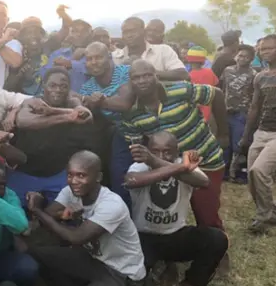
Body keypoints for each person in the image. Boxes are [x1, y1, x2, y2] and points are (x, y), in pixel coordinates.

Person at [89, 60, 229, 231]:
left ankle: (216, 243)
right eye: (136, 77)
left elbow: (216, 94)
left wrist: (223, 133)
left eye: (147, 75)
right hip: (169, 167)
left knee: (206, 214)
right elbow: (137, 147)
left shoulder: (180, 90)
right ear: (130, 82)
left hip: (205, 159)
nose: (142, 81)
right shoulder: (130, 114)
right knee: (166, 215)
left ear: (156, 76)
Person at [27, 151, 146, 286]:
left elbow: (76, 238)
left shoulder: (111, 205)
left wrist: (37, 210)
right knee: (39, 255)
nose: (74, 181)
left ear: (98, 177)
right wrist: (54, 211)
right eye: (70, 175)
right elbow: (48, 217)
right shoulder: (70, 192)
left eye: (81, 175)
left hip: (122, 274)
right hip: (94, 259)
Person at [124, 132, 228, 286]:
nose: (161, 156)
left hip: (176, 235)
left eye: (167, 152)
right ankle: (147, 274)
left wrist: (168, 164)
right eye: (155, 151)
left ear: (177, 152)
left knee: (216, 239)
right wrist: (175, 167)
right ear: (148, 151)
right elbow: (132, 181)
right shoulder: (140, 166)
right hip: (143, 239)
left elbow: (203, 182)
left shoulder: (186, 167)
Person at [9, 67, 97, 205]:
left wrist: (52, 111)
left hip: (57, 174)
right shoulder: (32, 102)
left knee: (64, 213)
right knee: (15, 214)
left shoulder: (72, 102)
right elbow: (23, 121)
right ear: (44, 86)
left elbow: (87, 115)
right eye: (52, 85)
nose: (58, 90)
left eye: (63, 86)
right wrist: (67, 117)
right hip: (25, 172)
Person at [79, 42, 133, 207]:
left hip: (139, 128)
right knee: (115, 173)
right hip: (115, 134)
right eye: (89, 59)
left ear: (109, 57)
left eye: (98, 57)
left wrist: (101, 101)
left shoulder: (125, 72)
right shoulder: (87, 87)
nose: (93, 62)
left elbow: (125, 103)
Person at [239, 35, 276, 234]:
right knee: (252, 176)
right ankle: (269, 210)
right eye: (262, 49)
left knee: (259, 170)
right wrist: (246, 136)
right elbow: (254, 108)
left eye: (270, 48)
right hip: (262, 131)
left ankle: (263, 216)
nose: (265, 52)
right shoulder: (260, 77)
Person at [5, 6, 73, 95]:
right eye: (28, 32)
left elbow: (66, 28)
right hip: (28, 99)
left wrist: (62, 13)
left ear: (41, 34)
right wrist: (20, 74)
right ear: (23, 36)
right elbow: (9, 87)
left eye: (36, 31)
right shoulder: (18, 55)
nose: (33, 35)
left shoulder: (48, 45)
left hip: (51, 97)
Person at [221, 44, 257, 183]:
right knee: (225, 144)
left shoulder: (254, 75)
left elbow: (255, 96)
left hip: (242, 113)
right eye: (240, 55)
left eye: (246, 57)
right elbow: (223, 89)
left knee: (239, 144)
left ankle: (238, 173)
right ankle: (224, 172)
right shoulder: (227, 70)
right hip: (226, 112)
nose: (242, 59)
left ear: (251, 59)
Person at [113, 17, 189, 82]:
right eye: (125, 32)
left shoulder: (163, 50)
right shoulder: (114, 57)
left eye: (133, 31)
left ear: (144, 32)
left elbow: (183, 74)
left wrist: (149, 73)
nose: (129, 35)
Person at [38, 18, 92, 92]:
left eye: (83, 32)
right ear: (69, 34)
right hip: (58, 97)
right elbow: (44, 74)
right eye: (74, 31)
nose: (79, 34)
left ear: (90, 34)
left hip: (85, 98)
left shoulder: (94, 54)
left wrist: (70, 63)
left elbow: (93, 70)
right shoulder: (58, 53)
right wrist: (73, 59)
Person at [186, 46, 219, 121]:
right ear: (204, 61)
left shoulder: (188, 76)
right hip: (208, 111)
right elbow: (216, 84)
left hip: (195, 114)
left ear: (188, 60)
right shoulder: (209, 72)